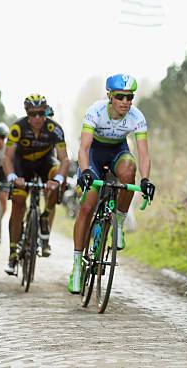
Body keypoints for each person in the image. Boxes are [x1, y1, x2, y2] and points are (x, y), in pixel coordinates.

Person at [67, 73, 155, 294]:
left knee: (129, 171)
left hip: (118, 152)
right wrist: (86, 171)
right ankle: (77, 265)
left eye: (129, 97)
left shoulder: (136, 116)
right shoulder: (95, 111)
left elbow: (144, 155)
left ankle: (119, 221)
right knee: (87, 206)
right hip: (94, 155)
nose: (125, 102)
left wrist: (145, 180)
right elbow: (84, 148)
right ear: (109, 96)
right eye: (120, 97)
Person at [2, 94, 69, 275]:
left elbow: (64, 160)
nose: (37, 118)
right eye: (33, 114)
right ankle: (13, 252)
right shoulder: (18, 127)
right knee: (17, 203)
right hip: (21, 165)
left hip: (44, 163)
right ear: (27, 113)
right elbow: (7, 157)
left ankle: (45, 216)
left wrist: (58, 181)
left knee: (57, 177)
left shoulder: (54, 129)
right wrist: (13, 177)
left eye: (41, 113)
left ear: (46, 112)